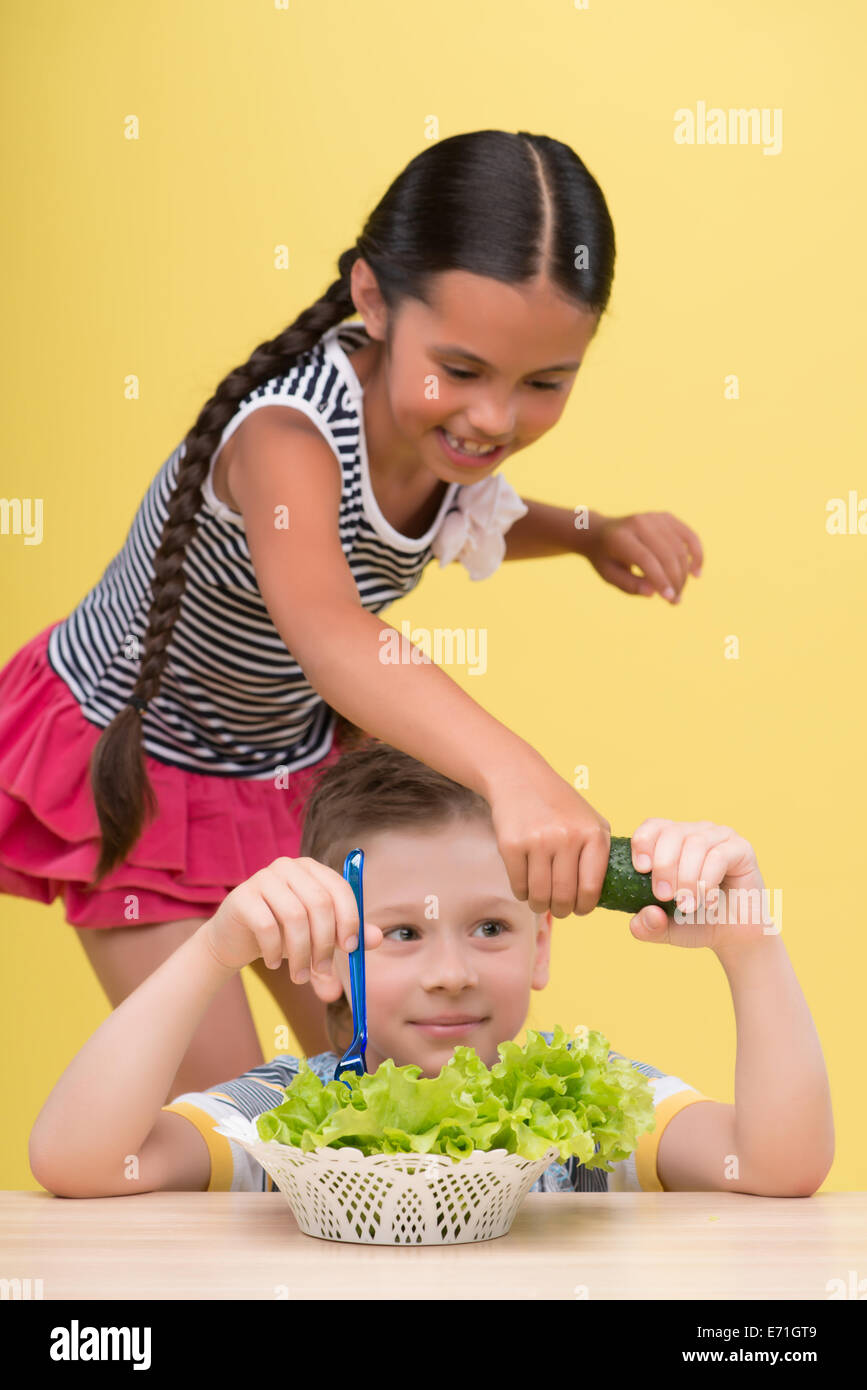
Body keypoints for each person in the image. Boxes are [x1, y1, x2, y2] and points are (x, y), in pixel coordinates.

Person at [0, 129, 703, 1102]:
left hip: (284, 771)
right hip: (138, 773)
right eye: (461, 370)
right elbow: (332, 630)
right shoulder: (286, 442)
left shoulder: (441, 439)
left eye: (543, 383)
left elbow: (466, 515)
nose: (496, 420)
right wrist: (517, 775)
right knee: (237, 1121)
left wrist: (589, 531)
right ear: (372, 299)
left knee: (374, 1076)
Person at [29, 742, 833, 1199]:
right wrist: (212, 952)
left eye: (489, 926)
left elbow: (776, 1166)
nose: (449, 972)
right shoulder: (282, 1118)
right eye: (401, 932)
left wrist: (748, 941)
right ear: (322, 958)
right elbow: (81, 1162)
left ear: (541, 944)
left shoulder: (586, 1112)